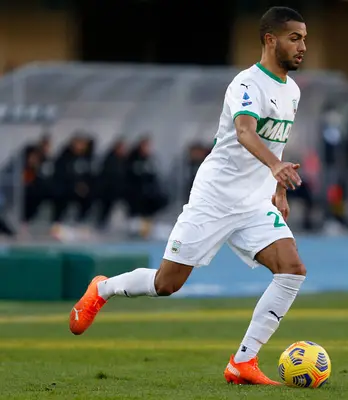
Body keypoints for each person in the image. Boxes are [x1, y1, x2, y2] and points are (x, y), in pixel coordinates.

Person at [69, 6, 307, 386]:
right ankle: (103, 288)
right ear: (269, 39)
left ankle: (242, 362)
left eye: (305, 39)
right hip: (214, 198)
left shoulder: (292, 90)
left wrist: (278, 187)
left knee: (292, 270)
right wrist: (275, 170)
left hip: (253, 203)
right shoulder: (246, 84)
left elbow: (275, 144)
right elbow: (245, 133)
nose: (302, 46)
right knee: (167, 284)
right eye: (295, 38)